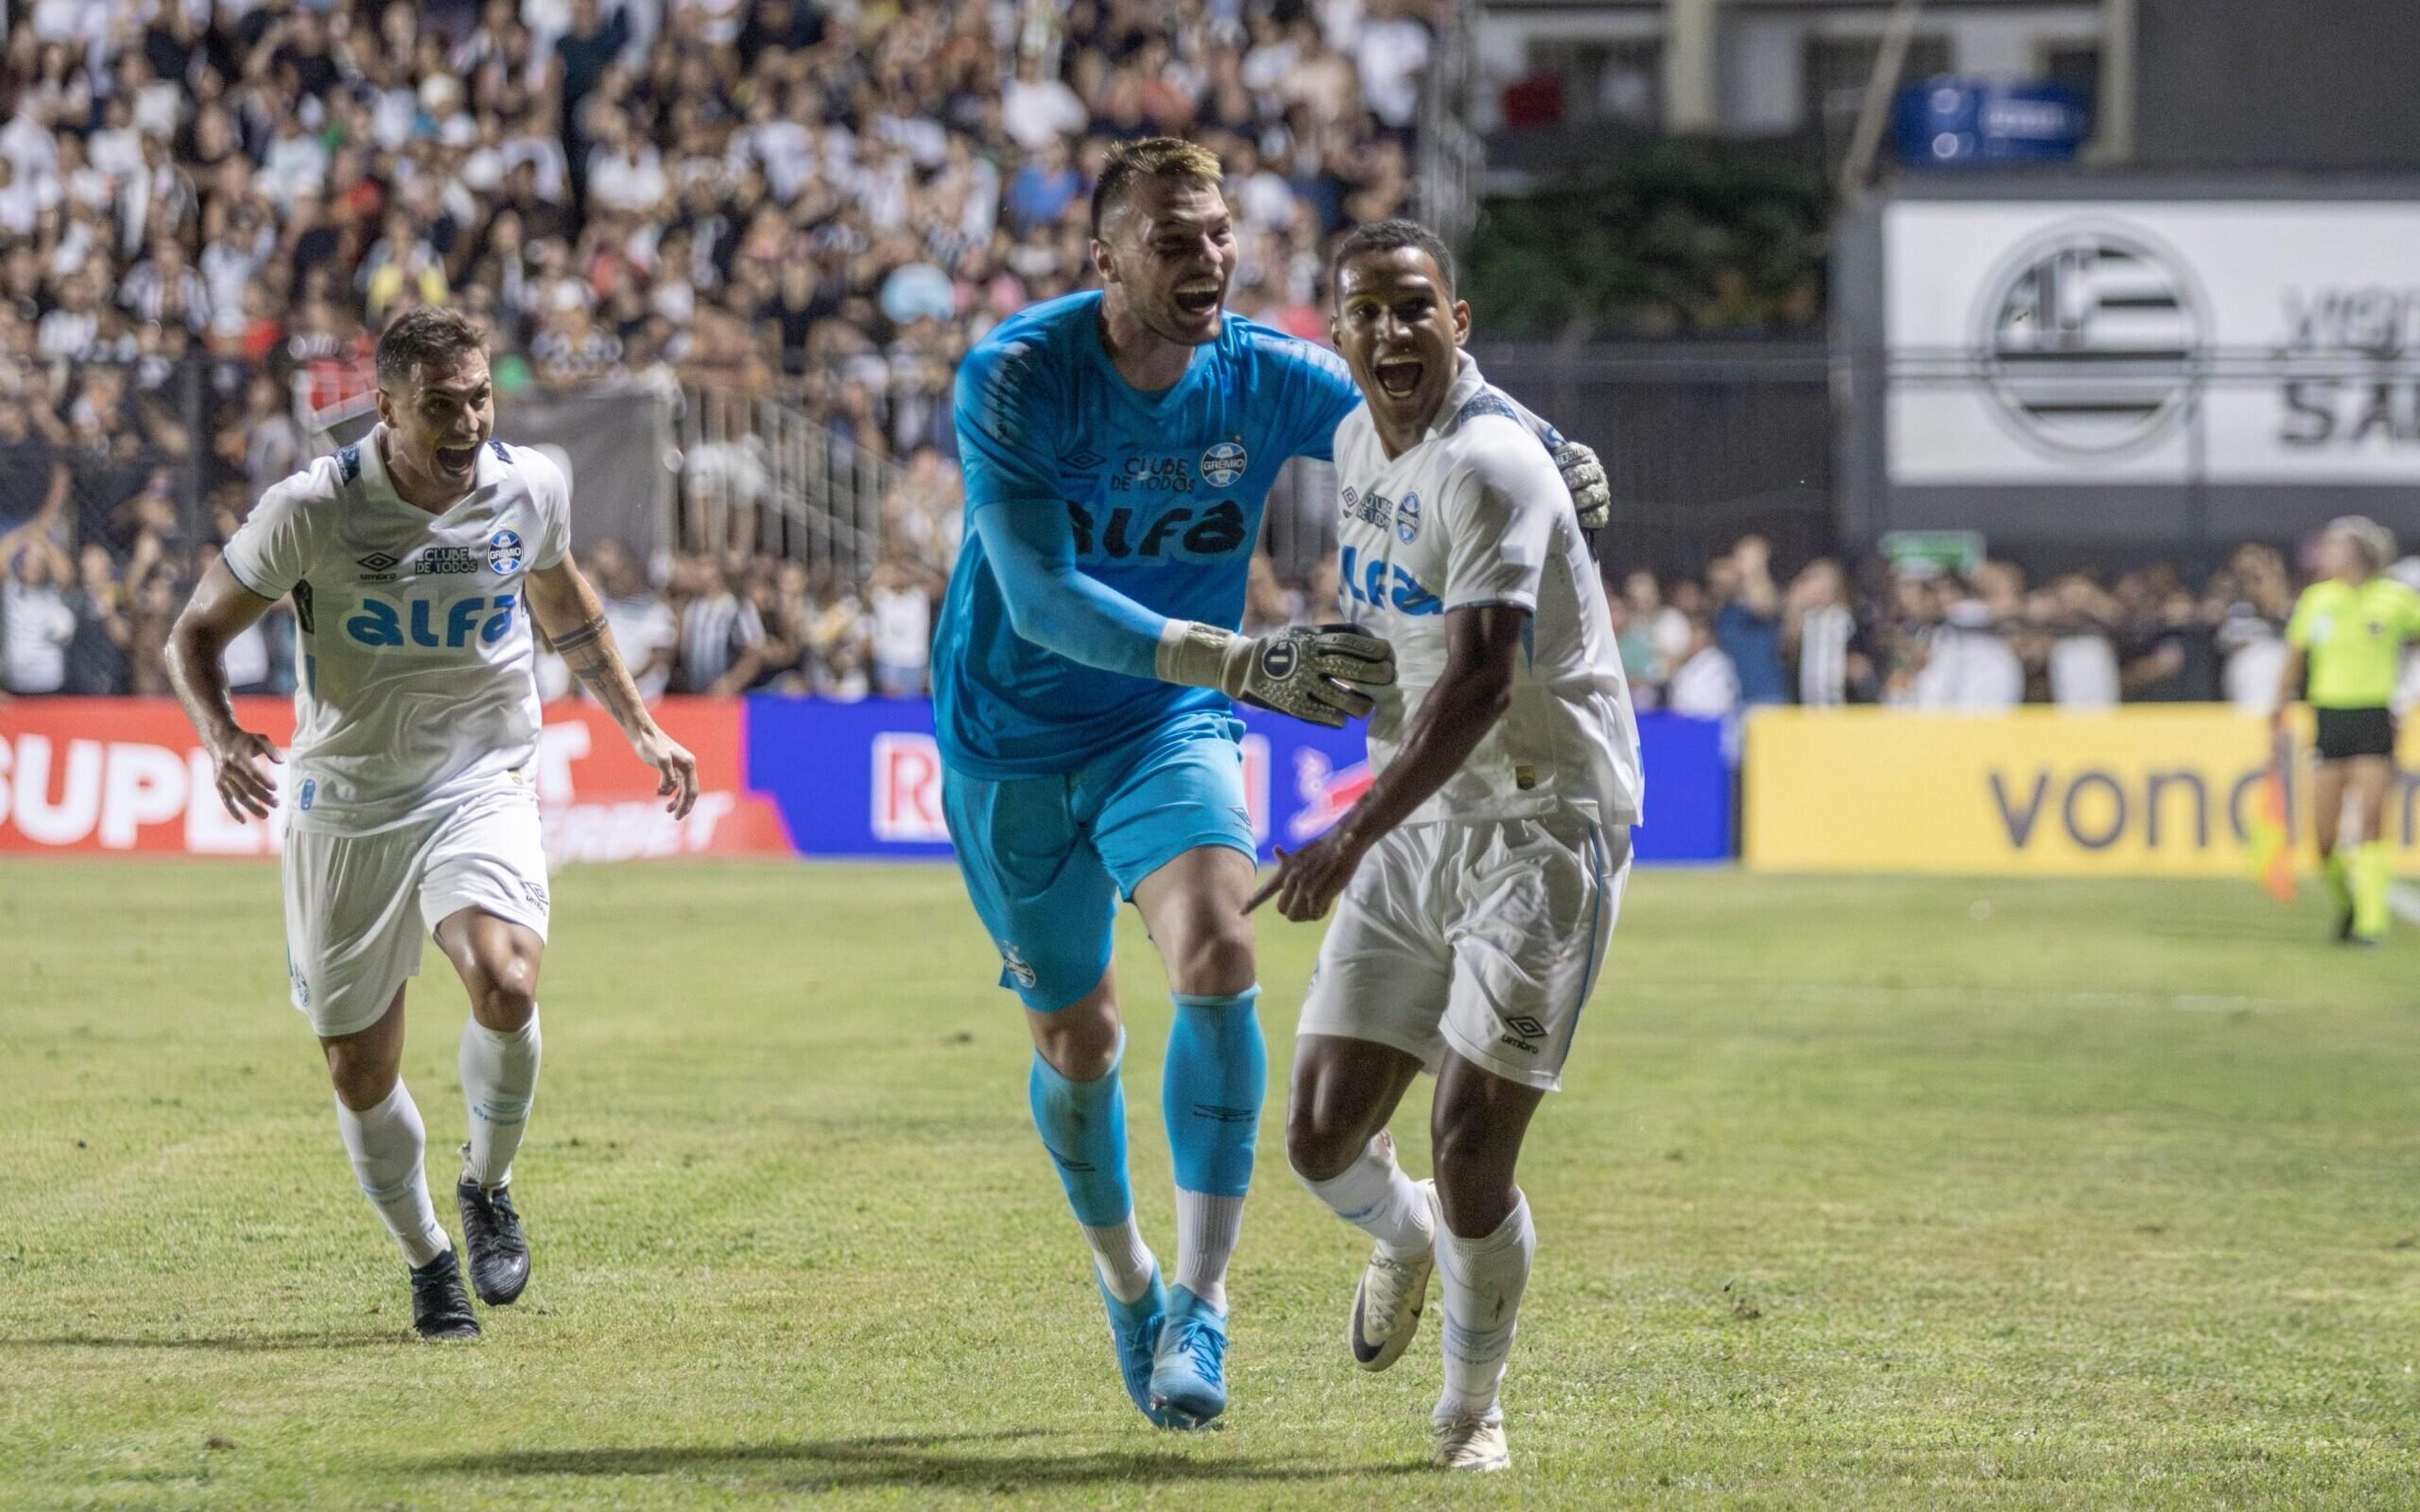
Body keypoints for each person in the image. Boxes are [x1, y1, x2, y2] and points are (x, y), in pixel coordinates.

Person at [930, 138, 1606, 1431]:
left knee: (1221, 959)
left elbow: (1422, 385)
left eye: (1221, 233)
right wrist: (1243, 658)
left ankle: (1201, 1301)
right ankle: (1125, 1276)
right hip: (1008, 742)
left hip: (1163, 729)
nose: (1210, 261)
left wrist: (1553, 443)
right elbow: (1038, 597)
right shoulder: (1017, 377)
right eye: (1176, 240)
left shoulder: (1257, 375)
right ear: (1107, 258)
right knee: (1078, 1040)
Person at [164, 307, 700, 1341]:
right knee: (359, 1068)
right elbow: (195, 634)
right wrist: (222, 733)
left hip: (479, 778)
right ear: (388, 405)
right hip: (349, 801)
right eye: (443, 407)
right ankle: (428, 1260)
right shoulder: (312, 508)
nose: (468, 425)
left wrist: (640, 727)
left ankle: (487, 1185)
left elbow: (565, 601)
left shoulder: (528, 485)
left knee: (506, 980)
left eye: (480, 399)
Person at [1255, 220, 1642, 1473]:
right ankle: (1406, 1238)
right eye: (1364, 312)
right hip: (1416, 812)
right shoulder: (1361, 434)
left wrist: (1344, 836)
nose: (1390, 331)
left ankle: (1473, 1407)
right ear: (1338, 328)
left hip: (1537, 825)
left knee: (1471, 1139)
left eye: (1415, 308)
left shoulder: (1490, 467)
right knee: (1318, 1136)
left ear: (1457, 321)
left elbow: (1478, 684)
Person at [2274, 516, 2420, 946]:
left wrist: (2408, 691)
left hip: (2376, 717)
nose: (2324, 555)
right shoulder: (2318, 600)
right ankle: (2349, 903)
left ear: (2359, 553)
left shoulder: (2395, 599)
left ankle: (2370, 927)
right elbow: (2296, 657)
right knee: (2322, 840)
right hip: (2330, 719)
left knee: (2373, 822)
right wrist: (2278, 704)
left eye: (2333, 547)